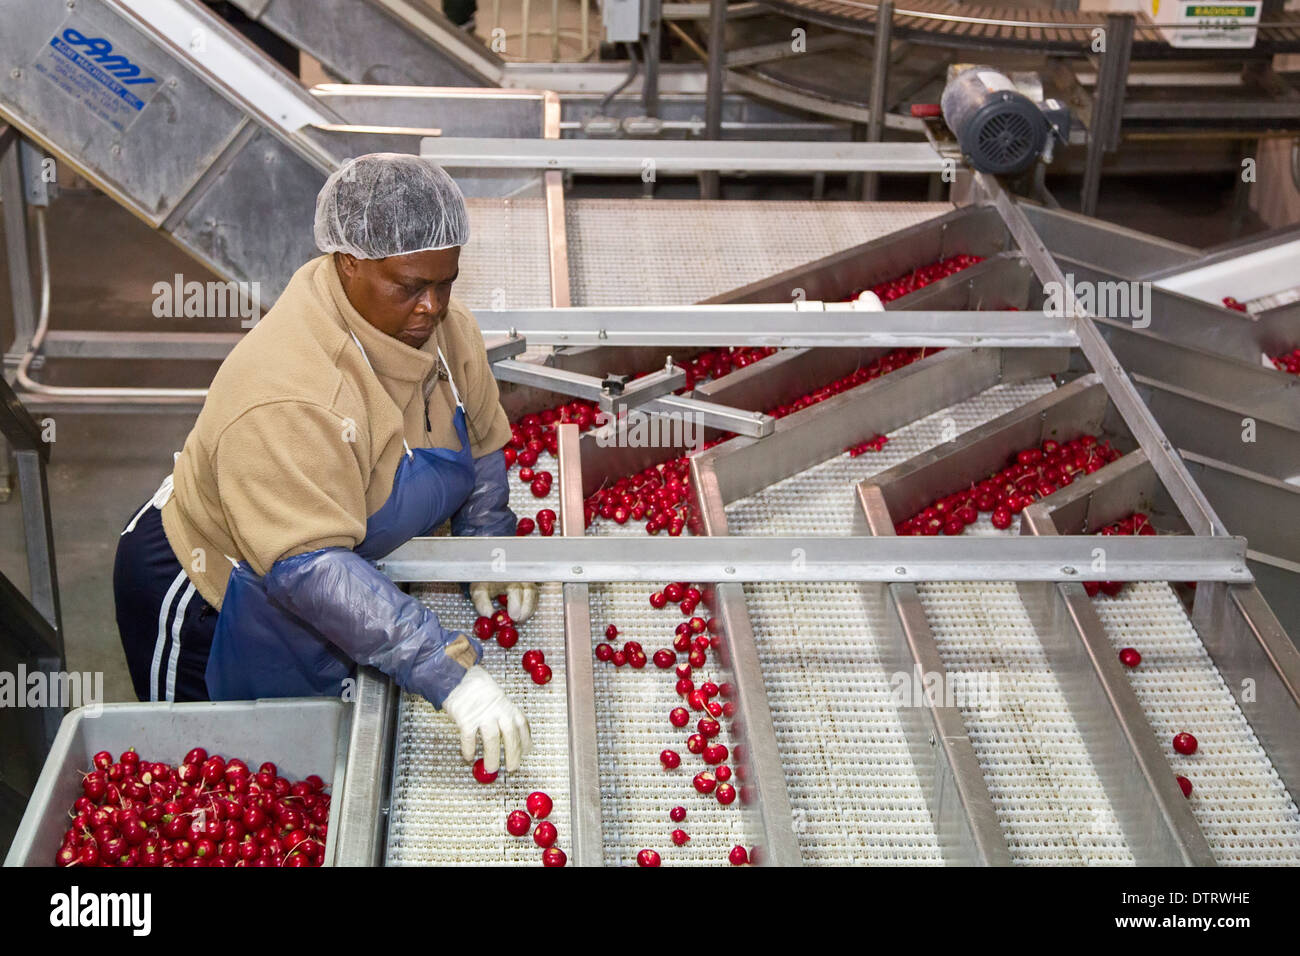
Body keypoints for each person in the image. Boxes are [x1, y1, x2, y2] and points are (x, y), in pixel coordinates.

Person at [113, 154, 536, 773]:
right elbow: (307, 565)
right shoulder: (289, 391)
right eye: (409, 287)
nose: (432, 307)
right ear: (349, 263)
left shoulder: (447, 330)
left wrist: (489, 540)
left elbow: (478, 439)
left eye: (444, 282)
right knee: (217, 781)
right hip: (214, 589)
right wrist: (450, 674)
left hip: (327, 562)